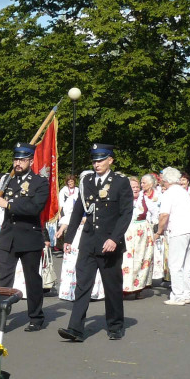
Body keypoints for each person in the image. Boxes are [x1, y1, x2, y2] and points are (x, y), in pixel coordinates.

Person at [57, 144, 131, 342]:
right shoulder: (87, 181)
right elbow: (78, 210)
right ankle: (76, 328)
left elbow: (126, 214)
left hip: (109, 242)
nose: (96, 164)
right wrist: (69, 238)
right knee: (82, 285)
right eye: (94, 160)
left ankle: (115, 325)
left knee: (112, 285)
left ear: (110, 160)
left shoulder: (120, 182)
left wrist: (115, 238)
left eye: (100, 160)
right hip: (89, 241)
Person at [0, 142, 51, 332]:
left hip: (29, 236)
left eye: (22, 159)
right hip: (8, 237)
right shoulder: (8, 180)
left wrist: (8, 205)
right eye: (16, 159)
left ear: (30, 160)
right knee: (4, 280)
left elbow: (34, 208)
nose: (18, 163)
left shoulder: (40, 182)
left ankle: (36, 317)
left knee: (32, 279)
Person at [154, 167, 190, 306]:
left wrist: (159, 231)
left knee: (175, 264)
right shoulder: (183, 191)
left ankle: (178, 296)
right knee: (187, 263)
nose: (162, 181)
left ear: (167, 180)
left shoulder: (169, 193)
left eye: (162, 179)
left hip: (179, 229)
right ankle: (186, 293)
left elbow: (164, 215)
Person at [57, 169, 104, 303]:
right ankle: (72, 292)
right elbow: (70, 216)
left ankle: (93, 292)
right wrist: (63, 229)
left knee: (91, 262)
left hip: (93, 232)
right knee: (74, 262)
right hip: (77, 233)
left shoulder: (100, 195)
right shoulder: (74, 197)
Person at [122, 175, 155, 297]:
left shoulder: (145, 199)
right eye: (132, 187)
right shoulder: (123, 200)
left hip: (142, 234)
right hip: (127, 232)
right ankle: (124, 287)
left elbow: (156, 213)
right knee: (126, 259)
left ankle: (138, 288)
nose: (135, 189)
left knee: (141, 260)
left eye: (137, 186)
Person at [56, 174, 79, 252]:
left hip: (74, 210)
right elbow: (60, 202)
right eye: (69, 182)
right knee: (62, 228)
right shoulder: (64, 190)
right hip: (65, 211)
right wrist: (59, 213)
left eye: (71, 181)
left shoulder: (77, 190)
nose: (70, 183)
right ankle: (62, 245)